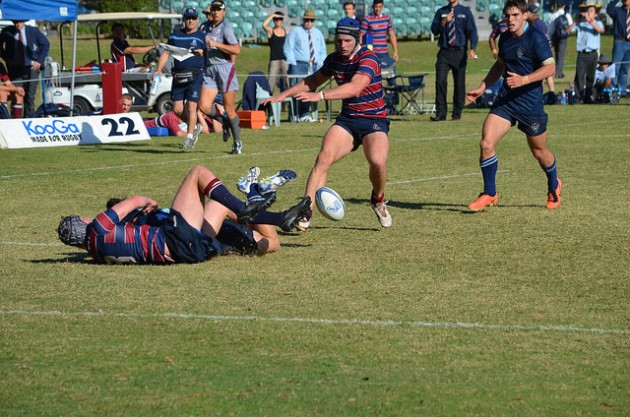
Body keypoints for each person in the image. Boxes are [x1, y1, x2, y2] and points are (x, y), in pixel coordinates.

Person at [263, 18, 392, 230]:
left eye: (347, 41)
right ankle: (305, 212)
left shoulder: (368, 58)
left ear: (357, 39)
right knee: (323, 159)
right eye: (338, 40)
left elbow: (355, 88)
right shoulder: (335, 59)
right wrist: (281, 96)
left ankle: (378, 199)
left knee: (377, 161)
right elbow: (311, 81)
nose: (342, 45)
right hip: (349, 119)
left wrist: (320, 96)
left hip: (374, 119)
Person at [57, 165, 311, 264]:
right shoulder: (98, 229)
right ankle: (253, 196)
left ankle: (280, 217)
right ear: (82, 225)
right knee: (197, 173)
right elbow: (133, 201)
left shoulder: (95, 253)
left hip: (191, 253)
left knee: (267, 241)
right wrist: (146, 201)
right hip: (178, 238)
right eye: (84, 219)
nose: (90, 218)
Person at [465, 0, 561, 211]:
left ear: (525, 15)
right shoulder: (505, 38)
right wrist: (482, 87)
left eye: (515, 15)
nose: (510, 19)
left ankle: (554, 183)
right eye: (507, 15)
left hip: (530, 105)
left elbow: (551, 68)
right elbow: (500, 65)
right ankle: (490, 193)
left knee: (539, 152)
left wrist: (524, 80)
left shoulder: (536, 38)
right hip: (506, 101)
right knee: (486, 143)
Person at [155, 8, 206, 150]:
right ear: (184, 19)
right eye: (188, 18)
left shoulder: (201, 36)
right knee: (177, 109)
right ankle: (195, 127)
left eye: (193, 18)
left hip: (196, 75)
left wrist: (203, 53)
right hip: (179, 75)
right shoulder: (175, 36)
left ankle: (189, 138)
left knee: (191, 106)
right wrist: (159, 69)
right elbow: (166, 53)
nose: (190, 21)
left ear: (197, 20)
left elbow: (209, 54)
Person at [198, 0, 244, 154]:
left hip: (225, 69)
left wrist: (216, 44)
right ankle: (225, 121)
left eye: (219, 9)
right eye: (214, 9)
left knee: (229, 108)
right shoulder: (204, 27)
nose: (215, 12)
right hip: (210, 69)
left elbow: (236, 50)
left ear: (224, 12)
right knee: (203, 106)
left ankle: (237, 143)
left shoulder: (226, 28)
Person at [430, 0, 478, 121]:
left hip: (459, 52)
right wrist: (444, 21)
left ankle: (457, 112)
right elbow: (434, 30)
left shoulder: (465, 12)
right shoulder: (441, 12)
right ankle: (441, 113)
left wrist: (472, 48)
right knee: (440, 81)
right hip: (444, 51)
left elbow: (472, 31)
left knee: (459, 83)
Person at [283, 10, 327, 123]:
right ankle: (294, 114)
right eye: (307, 20)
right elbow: (288, 48)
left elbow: (322, 49)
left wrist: (320, 62)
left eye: (311, 20)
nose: (309, 23)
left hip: (314, 66)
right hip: (299, 64)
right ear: (303, 20)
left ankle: (304, 114)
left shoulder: (318, 33)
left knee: (311, 90)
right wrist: (293, 62)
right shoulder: (295, 31)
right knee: (295, 90)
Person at [0, 20, 49, 117]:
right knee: (18, 93)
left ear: (24, 22)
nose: (18, 24)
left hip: (32, 68)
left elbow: (45, 44)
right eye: (15, 22)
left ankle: (29, 118)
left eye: (20, 22)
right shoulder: (7, 31)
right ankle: (13, 119)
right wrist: (6, 58)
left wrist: (39, 60)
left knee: (30, 96)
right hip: (15, 69)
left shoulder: (33, 31)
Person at [569, 0, 605, 103]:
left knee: (591, 76)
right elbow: (569, 30)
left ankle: (588, 97)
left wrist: (590, 22)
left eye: (591, 11)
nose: (588, 13)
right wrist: (576, 21)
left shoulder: (597, 23)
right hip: (582, 53)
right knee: (580, 76)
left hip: (593, 53)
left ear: (595, 14)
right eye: (587, 11)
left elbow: (600, 30)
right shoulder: (581, 24)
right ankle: (578, 97)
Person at [527, 4, 556, 96]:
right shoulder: (540, 22)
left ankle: (549, 93)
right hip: (545, 49)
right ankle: (550, 93)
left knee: (542, 73)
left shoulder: (536, 24)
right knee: (545, 74)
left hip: (540, 51)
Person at [360, 0, 399, 67]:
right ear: (373, 7)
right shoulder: (367, 19)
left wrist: (395, 51)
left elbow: (391, 35)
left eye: (379, 7)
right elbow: (361, 36)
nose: (378, 9)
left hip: (384, 52)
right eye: (376, 7)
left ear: (383, 7)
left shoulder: (387, 18)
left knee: (386, 72)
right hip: (372, 52)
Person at [606, 0, 630, 97]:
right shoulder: (618, 11)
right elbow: (609, 9)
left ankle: (622, 90)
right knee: (615, 68)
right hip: (619, 42)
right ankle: (613, 90)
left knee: (625, 69)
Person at [262, 11, 289, 95]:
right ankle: (268, 101)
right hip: (274, 60)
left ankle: (288, 103)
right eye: (276, 19)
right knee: (271, 82)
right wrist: (273, 15)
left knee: (287, 81)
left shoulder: (286, 31)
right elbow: (264, 25)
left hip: (284, 59)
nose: (278, 21)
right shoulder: (271, 31)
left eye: (280, 19)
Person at [548, 0, 573, 78]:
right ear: (564, 6)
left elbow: (550, 29)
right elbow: (571, 26)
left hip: (555, 36)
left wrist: (550, 39)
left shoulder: (553, 15)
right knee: (561, 54)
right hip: (563, 37)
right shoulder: (567, 15)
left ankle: (556, 70)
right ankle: (559, 72)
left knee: (556, 54)